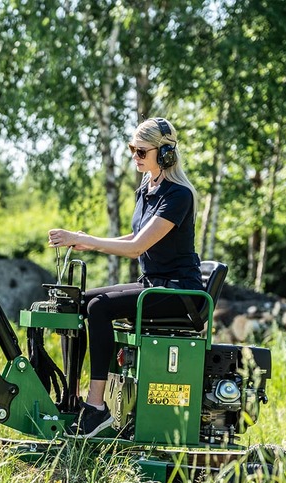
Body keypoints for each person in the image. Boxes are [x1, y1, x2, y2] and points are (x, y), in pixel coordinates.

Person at [48, 117, 203, 438]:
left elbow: (136, 248)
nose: (134, 156)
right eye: (132, 149)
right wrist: (87, 240)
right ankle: (72, 397)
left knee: (99, 308)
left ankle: (97, 407)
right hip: (155, 286)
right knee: (80, 303)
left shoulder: (179, 196)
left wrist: (85, 238)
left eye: (141, 151)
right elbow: (135, 236)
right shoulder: (146, 190)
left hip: (180, 293)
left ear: (165, 155)